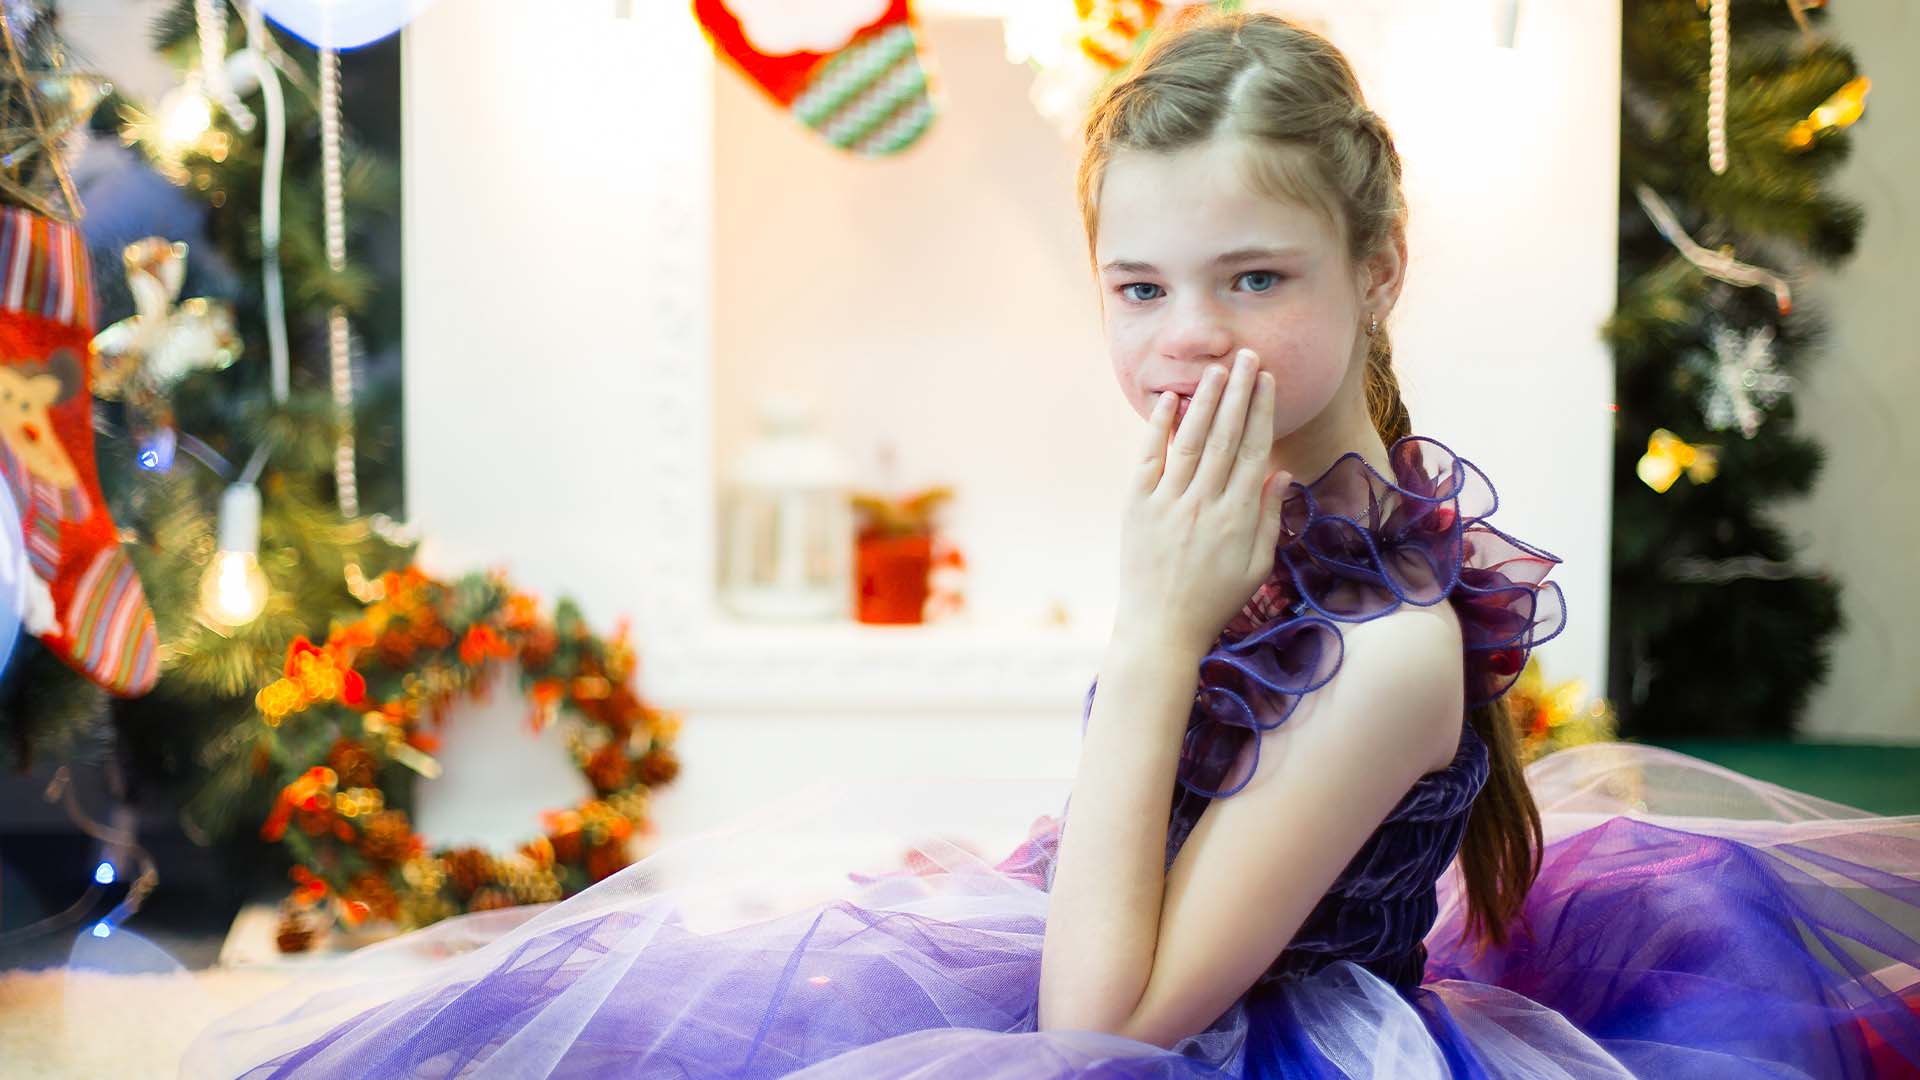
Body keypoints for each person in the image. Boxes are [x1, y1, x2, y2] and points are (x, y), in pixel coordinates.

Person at [165, 9, 1919, 1078]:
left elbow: (1101, 1032)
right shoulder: (1258, 524)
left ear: (1380, 270)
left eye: (1256, 278)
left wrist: (1155, 630)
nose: (1186, 339)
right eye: (1138, 287)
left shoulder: (1387, 650)